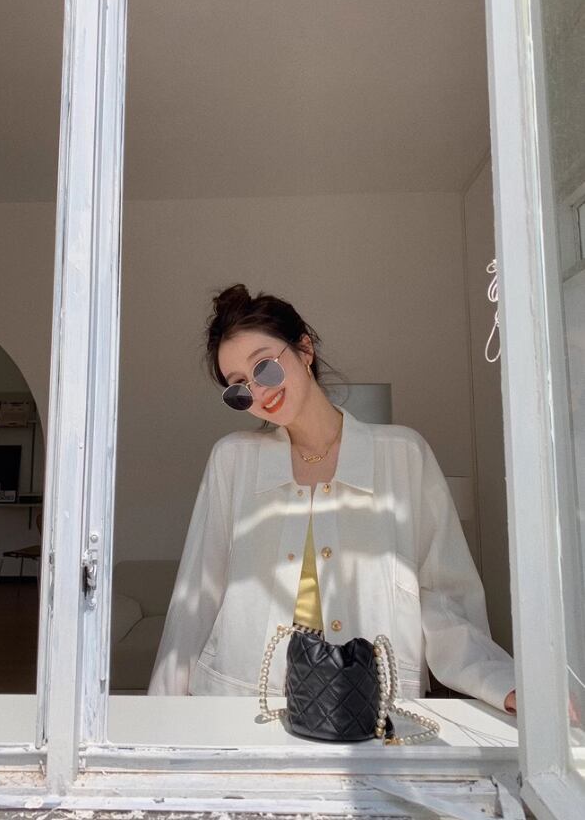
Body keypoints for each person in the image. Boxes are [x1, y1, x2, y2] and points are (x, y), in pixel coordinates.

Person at [148, 284, 517, 713]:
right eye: (239, 388)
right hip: (244, 706)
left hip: (368, 709)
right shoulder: (233, 459)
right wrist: (162, 715)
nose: (259, 392)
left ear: (304, 349)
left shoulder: (401, 454)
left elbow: (443, 599)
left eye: (265, 367)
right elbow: (197, 598)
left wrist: (503, 684)